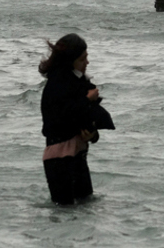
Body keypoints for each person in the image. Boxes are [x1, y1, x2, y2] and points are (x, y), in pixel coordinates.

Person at [39, 34, 114, 206]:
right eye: (82, 59)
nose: (87, 62)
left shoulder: (77, 81)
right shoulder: (56, 84)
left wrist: (93, 136)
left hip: (78, 153)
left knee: (85, 206)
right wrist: (87, 100)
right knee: (64, 210)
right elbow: (61, 117)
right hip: (59, 158)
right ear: (69, 61)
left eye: (86, 57)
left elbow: (85, 119)